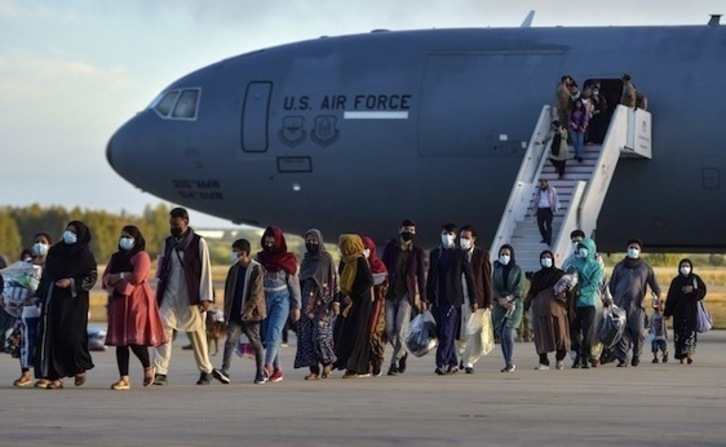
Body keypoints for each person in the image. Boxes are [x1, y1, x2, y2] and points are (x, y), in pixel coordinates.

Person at [152, 207, 217, 385]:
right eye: (171, 224)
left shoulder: (198, 243)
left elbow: (206, 271)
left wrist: (206, 297)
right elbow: (161, 268)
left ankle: (206, 370)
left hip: (191, 296)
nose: (173, 227)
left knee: (196, 334)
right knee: (163, 331)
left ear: (185, 222)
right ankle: (160, 372)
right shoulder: (168, 243)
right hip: (170, 295)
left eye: (176, 224)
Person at [104, 226, 167, 390]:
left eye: (129, 237)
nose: (125, 240)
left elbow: (138, 276)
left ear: (136, 239)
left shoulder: (142, 256)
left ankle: (148, 367)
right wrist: (120, 277)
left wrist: (120, 278)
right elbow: (106, 277)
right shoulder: (116, 257)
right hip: (119, 301)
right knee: (121, 340)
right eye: (122, 237)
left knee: (134, 337)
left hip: (138, 300)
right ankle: (124, 378)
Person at [36, 221, 97, 390]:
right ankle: (56, 377)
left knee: (72, 337)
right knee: (53, 338)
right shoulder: (55, 251)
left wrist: (71, 282)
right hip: (53, 300)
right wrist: (39, 295)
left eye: (73, 232)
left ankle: (79, 367)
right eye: (67, 231)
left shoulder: (85, 255)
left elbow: (91, 277)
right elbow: (46, 275)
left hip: (74, 303)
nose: (68, 234)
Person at [212, 239, 267, 385]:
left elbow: (257, 293)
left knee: (256, 343)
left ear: (242, 253)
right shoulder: (234, 269)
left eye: (234, 251)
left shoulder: (256, 269)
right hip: (236, 314)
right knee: (230, 341)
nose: (233, 254)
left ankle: (260, 372)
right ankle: (225, 371)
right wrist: (226, 311)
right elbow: (228, 291)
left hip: (252, 315)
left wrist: (248, 310)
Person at [425, 224, 476, 375]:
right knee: (442, 333)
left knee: (447, 332)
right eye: (444, 233)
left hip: (453, 299)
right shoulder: (435, 253)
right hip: (437, 299)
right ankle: (453, 362)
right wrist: (427, 298)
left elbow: (469, 277)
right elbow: (431, 277)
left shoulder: (460, 254)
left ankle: (441, 363)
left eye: (450, 234)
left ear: (455, 236)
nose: (447, 236)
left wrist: (473, 299)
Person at [381, 219, 427, 376]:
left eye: (412, 230)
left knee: (401, 330)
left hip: (406, 296)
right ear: (400, 230)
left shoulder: (417, 252)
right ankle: (403, 352)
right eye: (407, 229)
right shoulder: (390, 248)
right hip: (390, 293)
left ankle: (393, 364)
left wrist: (423, 300)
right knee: (389, 329)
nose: (409, 232)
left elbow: (420, 276)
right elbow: (383, 268)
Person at [257, 226, 301, 382]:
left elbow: (294, 285)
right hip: (263, 300)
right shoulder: (259, 259)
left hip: (281, 300)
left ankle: (267, 366)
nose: (269, 243)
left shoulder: (288, 260)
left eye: (272, 240)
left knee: (274, 332)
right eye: (267, 240)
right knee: (267, 335)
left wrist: (297, 307)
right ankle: (278, 370)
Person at [608, 238, 661, 367]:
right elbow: (611, 285)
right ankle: (623, 358)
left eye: (636, 248)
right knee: (621, 332)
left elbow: (655, 286)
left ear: (640, 250)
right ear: (627, 249)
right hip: (620, 305)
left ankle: (637, 354)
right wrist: (609, 299)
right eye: (631, 247)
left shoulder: (645, 268)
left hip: (637, 306)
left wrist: (657, 298)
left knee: (638, 331)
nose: (633, 250)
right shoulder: (619, 266)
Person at [293, 229, 338, 380]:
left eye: (314, 240)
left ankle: (327, 361)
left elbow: (334, 280)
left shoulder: (326, 258)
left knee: (319, 335)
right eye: (308, 240)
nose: (311, 243)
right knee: (305, 336)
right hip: (306, 301)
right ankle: (314, 370)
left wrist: (335, 301)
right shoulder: (306, 260)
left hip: (324, 301)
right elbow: (300, 281)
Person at [10, 233, 50, 387]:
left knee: (41, 340)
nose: (39, 244)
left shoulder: (52, 265)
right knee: (22, 339)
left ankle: (44, 375)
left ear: (49, 245)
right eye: (37, 242)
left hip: (43, 307)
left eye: (43, 242)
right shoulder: (27, 265)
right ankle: (25, 374)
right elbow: (15, 282)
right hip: (25, 307)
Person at [335, 234, 374, 378]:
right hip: (348, 300)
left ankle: (355, 367)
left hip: (361, 302)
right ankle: (344, 362)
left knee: (357, 333)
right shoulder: (345, 261)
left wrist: (353, 296)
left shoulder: (359, 260)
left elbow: (368, 281)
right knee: (344, 331)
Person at [524, 250, 570, 370]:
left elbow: (567, 292)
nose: (546, 260)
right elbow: (532, 292)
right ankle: (543, 361)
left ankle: (559, 359)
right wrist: (525, 306)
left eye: (548, 257)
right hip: (540, 310)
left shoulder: (560, 275)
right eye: (543, 258)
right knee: (541, 336)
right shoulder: (537, 276)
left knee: (560, 335)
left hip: (557, 310)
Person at [456, 225, 492, 374]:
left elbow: (487, 279)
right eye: (461, 237)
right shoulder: (456, 254)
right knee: (461, 332)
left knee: (473, 331)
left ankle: (469, 361)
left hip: (477, 300)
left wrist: (489, 301)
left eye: (466, 237)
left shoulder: (482, 255)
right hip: (458, 298)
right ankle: (463, 355)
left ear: (473, 239)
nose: (463, 240)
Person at [568, 238, 604, 369]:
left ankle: (585, 355)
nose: (582, 250)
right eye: (581, 248)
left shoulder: (596, 266)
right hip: (574, 304)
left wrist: (580, 291)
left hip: (589, 303)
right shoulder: (573, 263)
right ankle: (578, 354)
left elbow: (594, 284)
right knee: (574, 331)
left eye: (585, 248)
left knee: (588, 332)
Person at [664, 259, 707, 365]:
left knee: (690, 334)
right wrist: (667, 313)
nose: (685, 268)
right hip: (678, 313)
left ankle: (690, 355)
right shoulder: (676, 281)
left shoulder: (695, 279)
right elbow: (671, 298)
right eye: (683, 266)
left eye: (687, 266)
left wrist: (693, 290)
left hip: (691, 313)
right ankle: (682, 357)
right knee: (679, 335)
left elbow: (703, 292)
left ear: (691, 267)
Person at [491, 244, 525, 373]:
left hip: (514, 305)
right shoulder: (497, 270)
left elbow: (520, 288)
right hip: (500, 305)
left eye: (507, 254)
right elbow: (493, 287)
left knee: (508, 333)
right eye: (502, 254)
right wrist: (500, 300)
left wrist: (509, 299)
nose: (504, 257)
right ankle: (507, 362)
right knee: (501, 333)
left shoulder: (518, 269)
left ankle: (510, 361)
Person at [362, 236, 388, 377]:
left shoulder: (378, 265)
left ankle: (377, 361)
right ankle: (366, 364)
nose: (363, 251)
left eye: (366, 248)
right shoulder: (358, 265)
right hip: (362, 306)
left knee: (373, 333)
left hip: (376, 305)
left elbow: (386, 285)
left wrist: (379, 285)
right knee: (363, 334)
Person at [532, 179, 560, 246]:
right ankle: (544, 238)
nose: (542, 185)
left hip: (548, 210)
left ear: (546, 183)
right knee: (540, 225)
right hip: (540, 209)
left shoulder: (552, 190)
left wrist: (556, 207)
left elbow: (556, 199)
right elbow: (536, 200)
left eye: (543, 183)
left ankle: (548, 240)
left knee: (548, 225)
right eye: (541, 183)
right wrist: (535, 210)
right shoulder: (538, 190)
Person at [649, 299, 668, 364]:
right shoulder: (652, 316)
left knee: (663, 347)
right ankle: (655, 357)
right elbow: (651, 324)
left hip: (662, 335)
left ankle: (665, 354)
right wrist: (650, 330)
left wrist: (666, 334)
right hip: (654, 335)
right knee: (654, 347)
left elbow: (666, 319)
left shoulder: (662, 315)